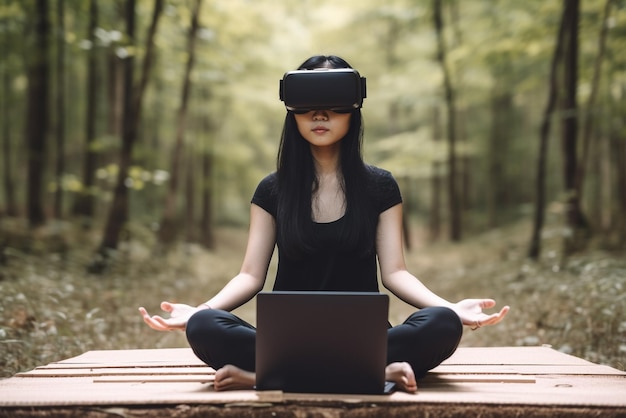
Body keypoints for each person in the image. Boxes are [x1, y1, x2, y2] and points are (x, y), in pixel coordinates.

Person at [139, 55, 509, 393]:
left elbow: (396, 273)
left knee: (442, 324)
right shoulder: (272, 189)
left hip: (365, 342)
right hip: (287, 341)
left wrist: (452, 308)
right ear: (292, 112)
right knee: (205, 328)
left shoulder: (381, 186)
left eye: (334, 106)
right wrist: (201, 310)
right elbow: (250, 276)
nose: (320, 116)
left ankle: (269, 377)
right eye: (309, 107)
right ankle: (372, 374)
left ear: (354, 111)